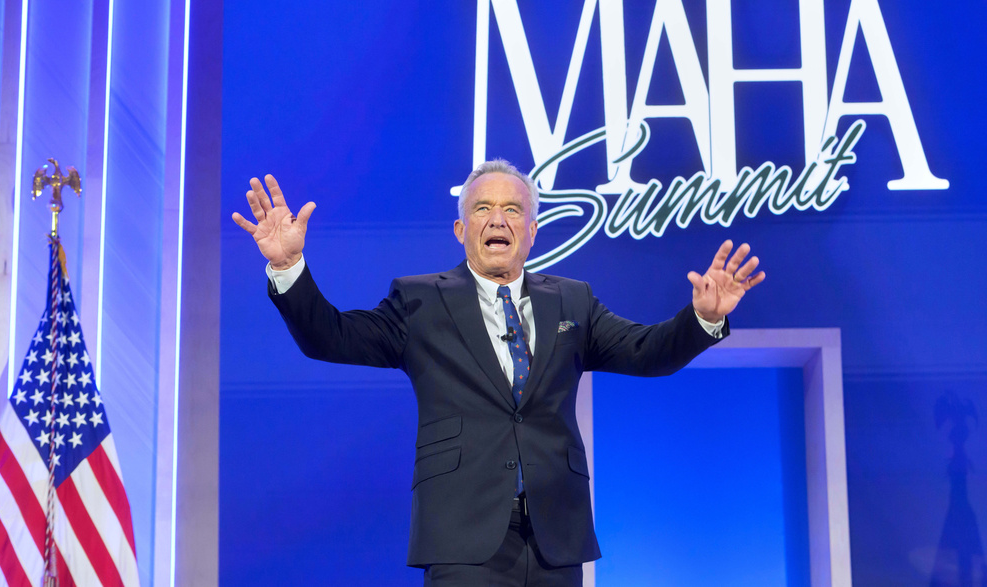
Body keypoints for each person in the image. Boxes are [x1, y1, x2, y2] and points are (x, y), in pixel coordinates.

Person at [232, 160, 765, 587]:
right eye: (483, 208)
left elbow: (646, 352)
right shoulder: (419, 300)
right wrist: (288, 268)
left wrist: (704, 318)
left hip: (557, 535)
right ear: (461, 228)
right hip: (463, 537)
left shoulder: (572, 300)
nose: (498, 220)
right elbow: (332, 337)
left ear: (531, 232)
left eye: (513, 210)